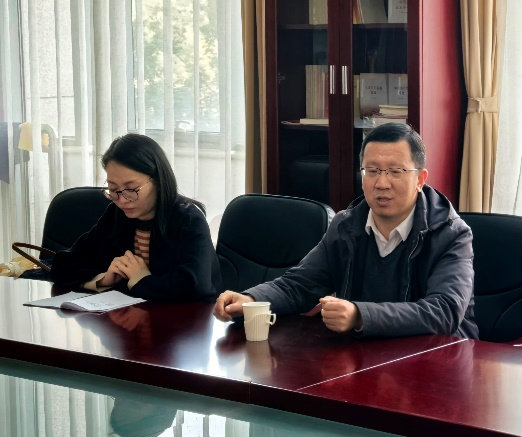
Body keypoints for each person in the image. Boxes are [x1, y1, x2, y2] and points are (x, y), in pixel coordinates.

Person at [214, 123, 477, 338]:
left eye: (395, 171)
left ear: (420, 179)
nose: (381, 183)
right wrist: (252, 299)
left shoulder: (451, 234)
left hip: (436, 361)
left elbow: (444, 311)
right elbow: (300, 285)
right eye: (371, 171)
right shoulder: (346, 226)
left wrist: (360, 316)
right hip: (363, 358)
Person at [50, 133, 221, 301]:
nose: (122, 200)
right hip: (128, 315)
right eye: (113, 189)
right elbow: (62, 264)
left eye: (131, 189)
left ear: (158, 180)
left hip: (185, 318)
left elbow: (195, 286)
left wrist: (141, 280)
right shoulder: (116, 215)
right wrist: (103, 279)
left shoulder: (188, 220)